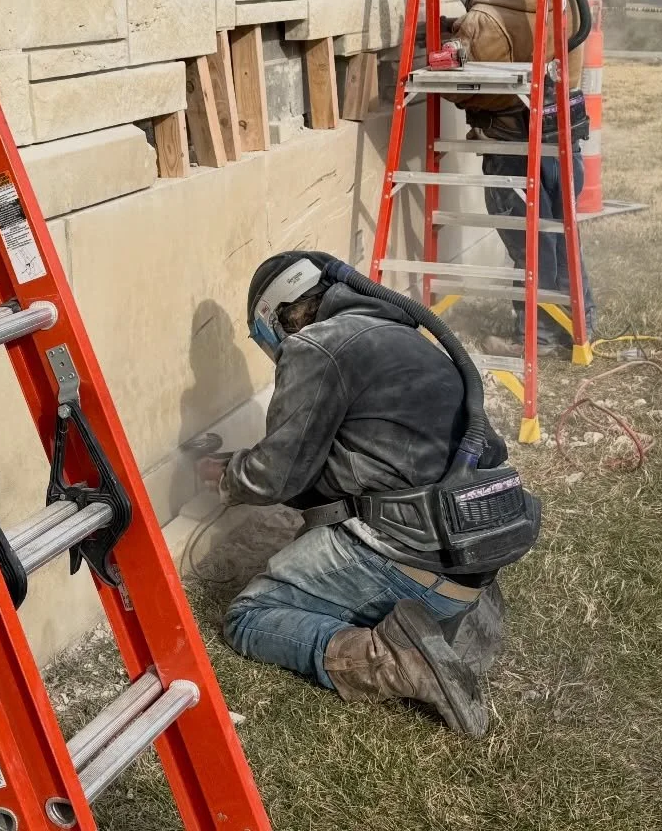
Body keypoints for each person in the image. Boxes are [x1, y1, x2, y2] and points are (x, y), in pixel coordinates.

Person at [199, 250, 539, 735]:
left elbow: (276, 477)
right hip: (468, 566)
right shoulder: (402, 337)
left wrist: (226, 476)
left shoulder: (318, 346)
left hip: (407, 560)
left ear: (276, 319)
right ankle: (443, 627)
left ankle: (393, 659)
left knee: (249, 617)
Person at [439, 0, 595, 354]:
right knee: (560, 234)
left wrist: (448, 57)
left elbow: (474, 90)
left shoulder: (483, 19)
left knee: (530, 244)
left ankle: (538, 337)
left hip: (514, 147)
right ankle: (580, 323)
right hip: (562, 138)